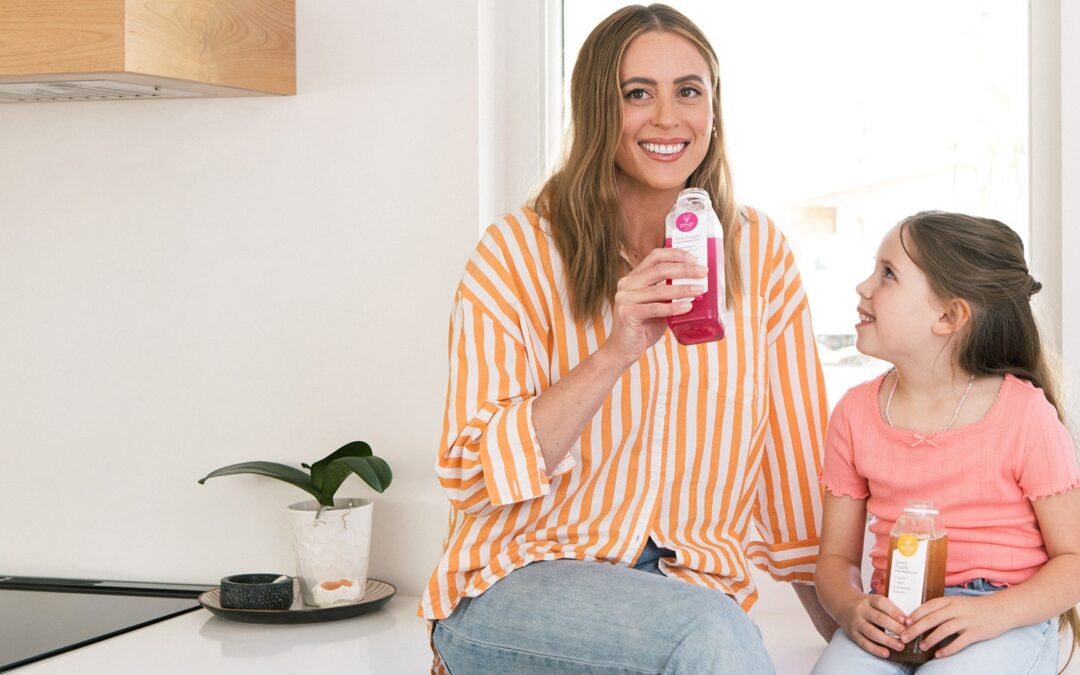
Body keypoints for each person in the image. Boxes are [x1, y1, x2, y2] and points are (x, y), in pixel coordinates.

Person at [419, 4, 836, 673]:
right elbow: (473, 473)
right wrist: (615, 352)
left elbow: (793, 466)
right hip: (517, 583)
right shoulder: (515, 254)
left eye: (688, 91)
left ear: (714, 110)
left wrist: (854, 638)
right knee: (707, 633)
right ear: (596, 110)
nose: (668, 118)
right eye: (637, 93)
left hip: (689, 590)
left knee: (711, 627)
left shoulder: (758, 255)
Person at [812, 211, 1080, 674]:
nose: (863, 286)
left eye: (888, 273)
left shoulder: (1023, 414)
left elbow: (1074, 560)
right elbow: (835, 559)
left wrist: (990, 615)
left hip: (1003, 617)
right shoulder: (854, 413)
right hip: (897, 613)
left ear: (949, 315)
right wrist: (852, 608)